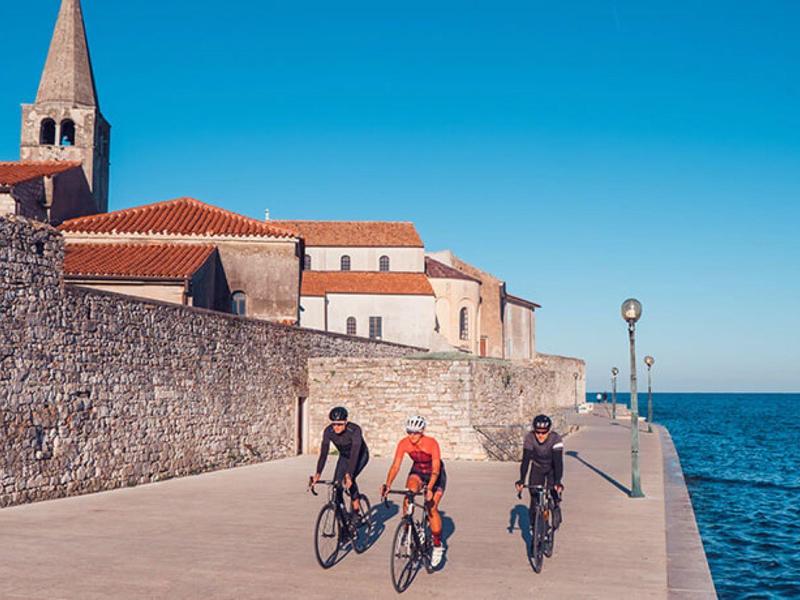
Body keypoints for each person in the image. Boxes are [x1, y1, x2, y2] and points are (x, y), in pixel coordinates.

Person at [381, 415, 447, 568]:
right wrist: (388, 484)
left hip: (435, 475)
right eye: (409, 432)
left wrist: (430, 488)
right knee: (408, 494)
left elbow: (436, 469)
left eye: (415, 433)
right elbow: (396, 466)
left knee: (431, 508)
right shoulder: (404, 443)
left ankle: (437, 545)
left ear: (422, 431)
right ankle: (408, 528)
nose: (412, 436)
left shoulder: (431, 443)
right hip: (417, 471)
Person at [311, 406, 369, 515]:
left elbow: (355, 453)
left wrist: (349, 475)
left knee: (350, 479)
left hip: (360, 456)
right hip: (344, 456)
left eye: (340, 424)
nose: (336, 427)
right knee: (337, 486)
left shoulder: (355, 430)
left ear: (346, 422)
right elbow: (324, 453)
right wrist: (318, 473)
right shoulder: (328, 431)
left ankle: (356, 510)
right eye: (334, 424)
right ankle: (342, 516)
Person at [515, 414, 564, 529]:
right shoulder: (529, 438)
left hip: (552, 467)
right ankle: (535, 528)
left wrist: (558, 481)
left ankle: (555, 507)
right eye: (538, 432)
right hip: (537, 467)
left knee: (553, 491)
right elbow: (526, 460)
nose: (540, 435)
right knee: (534, 496)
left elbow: (558, 462)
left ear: (549, 431)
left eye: (544, 432)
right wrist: (522, 480)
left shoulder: (556, 439)